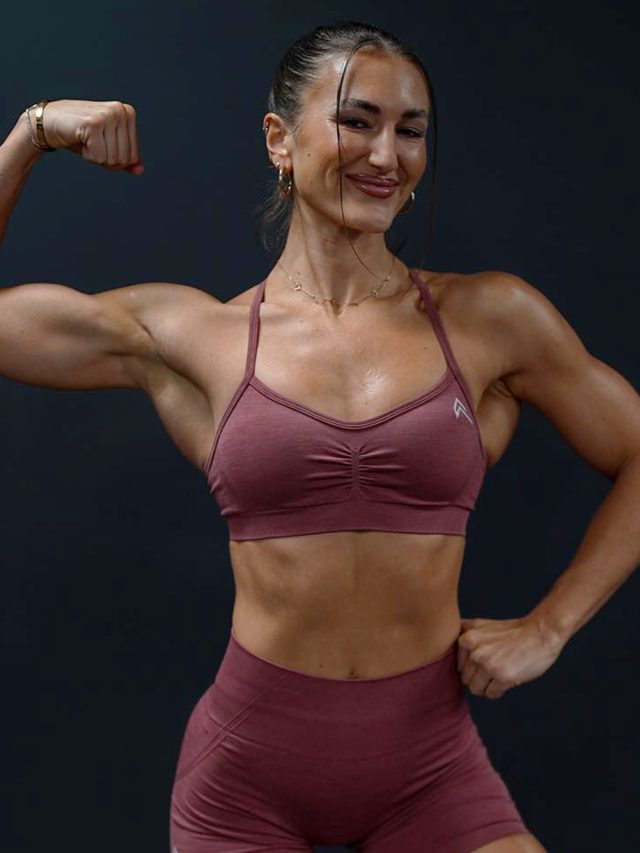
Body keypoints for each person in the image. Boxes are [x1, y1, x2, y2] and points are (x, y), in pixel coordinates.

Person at [2, 18, 639, 853]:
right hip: (247, 777)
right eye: (356, 120)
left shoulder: (488, 319)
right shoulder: (198, 335)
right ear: (280, 140)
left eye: (410, 130)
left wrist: (551, 626)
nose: (385, 155)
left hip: (430, 770)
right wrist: (30, 134)